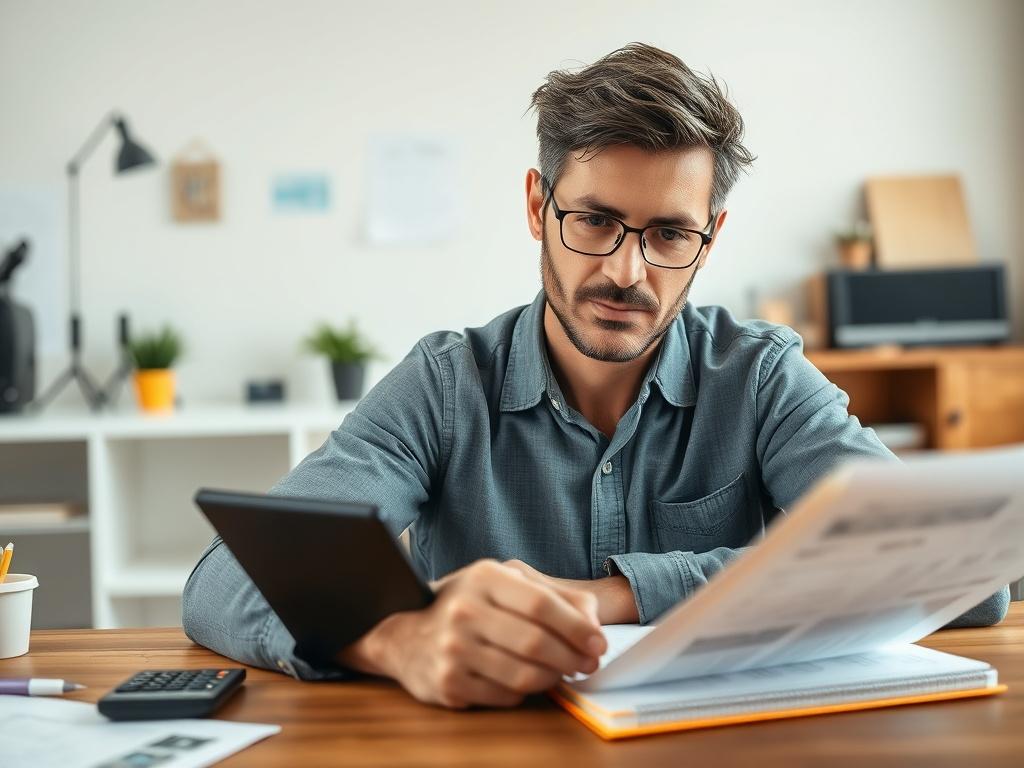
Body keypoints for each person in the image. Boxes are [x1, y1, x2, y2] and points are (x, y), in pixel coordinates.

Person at [183, 43, 1009, 709]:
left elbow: (962, 586)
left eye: (669, 235)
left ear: (709, 239)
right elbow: (224, 580)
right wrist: (397, 639)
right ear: (539, 206)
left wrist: (610, 597)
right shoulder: (443, 384)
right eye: (596, 221)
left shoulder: (759, 377)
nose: (628, 272)